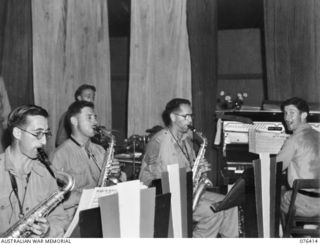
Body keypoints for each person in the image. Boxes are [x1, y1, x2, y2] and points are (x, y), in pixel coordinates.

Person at [139, 98, 239, 238]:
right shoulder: (161, 142)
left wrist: (199, 170)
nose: (190, 120)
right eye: (186, 116)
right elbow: (167, 179)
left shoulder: (185, 140)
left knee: (229, 205)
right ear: (173, 117)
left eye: (191, 116)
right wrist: (192, 172)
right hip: (163, 197)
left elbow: (190, 169)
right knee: (213, 213)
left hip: (184, 191)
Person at [0, 105, 68, 237]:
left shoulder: (46, 174)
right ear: (17, 133)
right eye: (38, 133)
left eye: (46, 134)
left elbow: (59, 219)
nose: (43, 141)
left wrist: (48, 230)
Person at [51, 101, 124, 222]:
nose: (95, 122)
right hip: (75, 218)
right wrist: (89, 196)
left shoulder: (100, 150)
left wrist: (116, 174)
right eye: (89, 117)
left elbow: (111, 182)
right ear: (74, 121)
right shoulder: (59, 155)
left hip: (102, 212)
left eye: (95, 117)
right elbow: (53, 199)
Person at [276, 97, 320, 217]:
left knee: (273, 196)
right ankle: (307, 233)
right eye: (285, 113)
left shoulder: (294, 140)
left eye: (291, 113)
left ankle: (282, 234)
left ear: (303, 115)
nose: (286, 118)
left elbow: (275, 168)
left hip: (304, 203)